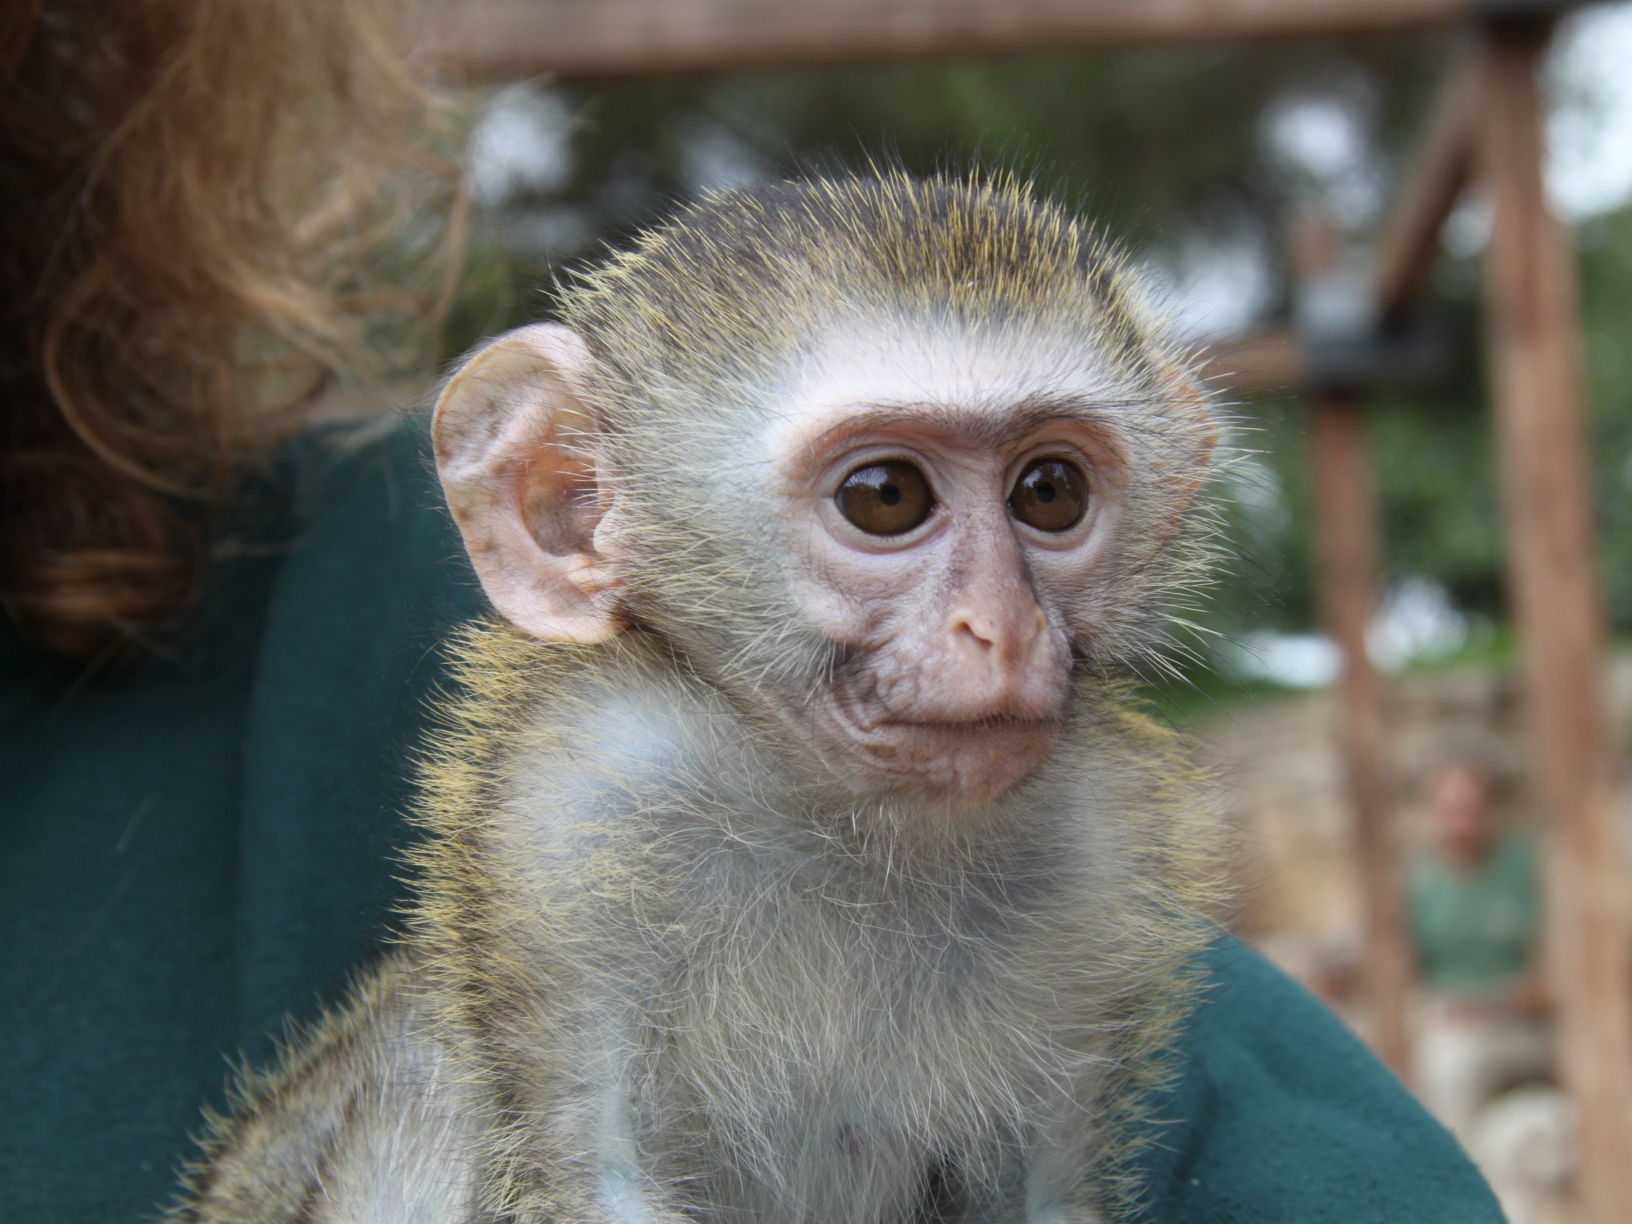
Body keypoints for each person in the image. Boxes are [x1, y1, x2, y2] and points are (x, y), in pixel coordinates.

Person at [0, 3, 1504, 1219]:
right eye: (886, 503)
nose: (998, 624)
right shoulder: (590, 803)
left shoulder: (1096, 845)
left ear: (1166, 487)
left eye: (1050, 495)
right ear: (569, 519)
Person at [1408, 754, 1553, 1137]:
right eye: (1451, 809)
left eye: (1471, 807)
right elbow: (1408, 974)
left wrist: (1486, 1008)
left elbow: (1553, 977)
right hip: (1445, 1014)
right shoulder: (1422, 885)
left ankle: (1455, 1177)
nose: (1462, 819)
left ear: (1493, 809)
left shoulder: (1530, 871)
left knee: (1451, 1062)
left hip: (1520, 1025)